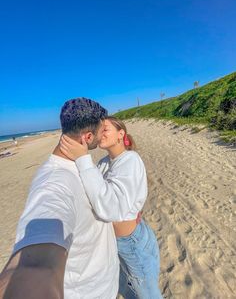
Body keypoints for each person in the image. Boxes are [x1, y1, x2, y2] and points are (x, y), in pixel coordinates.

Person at [0, 98, 119, 299]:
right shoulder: (54, 183)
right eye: (100, 132)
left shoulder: (82, 164)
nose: (102, 136)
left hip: (105, 286)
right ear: (87, 137)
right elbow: (36, 264)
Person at [60, 116, 162, 299]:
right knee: (128, 289)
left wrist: (83, 158)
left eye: (105, 129)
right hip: (115, 243)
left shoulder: (130, 159)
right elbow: (90, 195)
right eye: (100, 130)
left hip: (132, 243)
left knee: (148, 293)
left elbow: (109, 207)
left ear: (120, 134)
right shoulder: (103, 164)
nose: (100, 133)